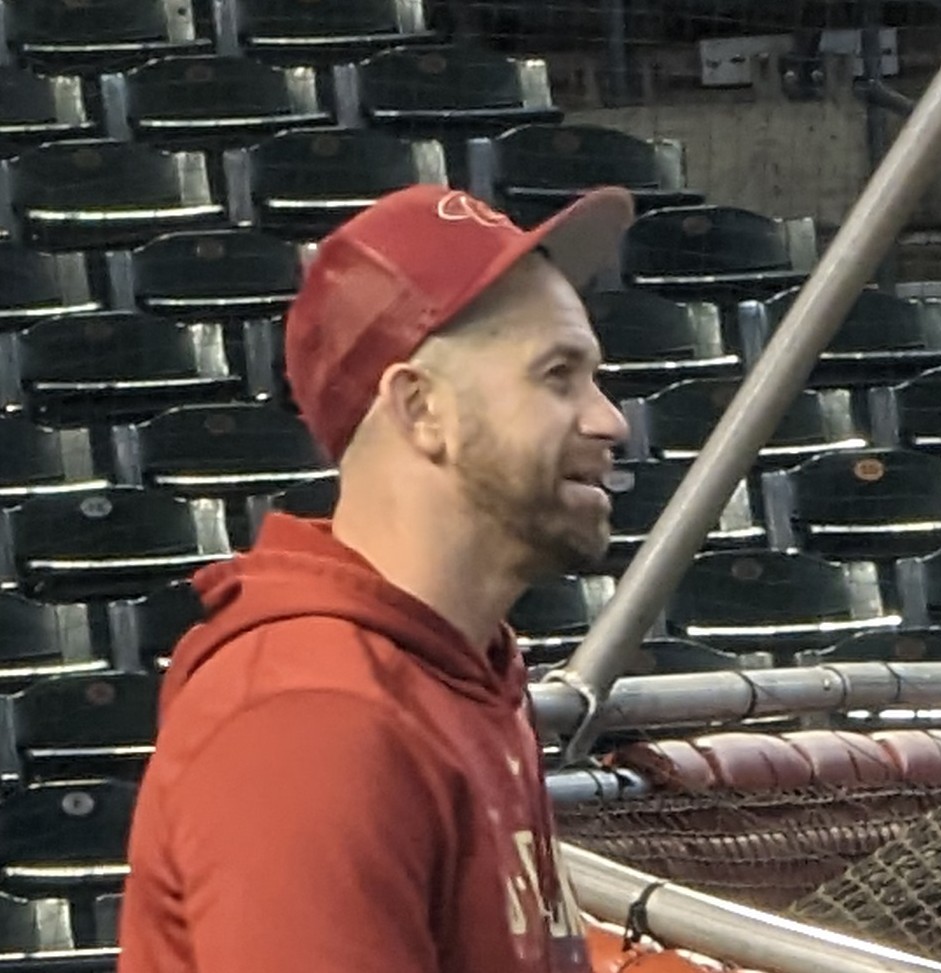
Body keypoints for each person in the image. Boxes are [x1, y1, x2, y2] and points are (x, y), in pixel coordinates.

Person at [118, 183, 637, 973]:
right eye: (558, 375)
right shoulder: (310, 718)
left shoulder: (460, 671)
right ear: (421, 408)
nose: (611, 420)